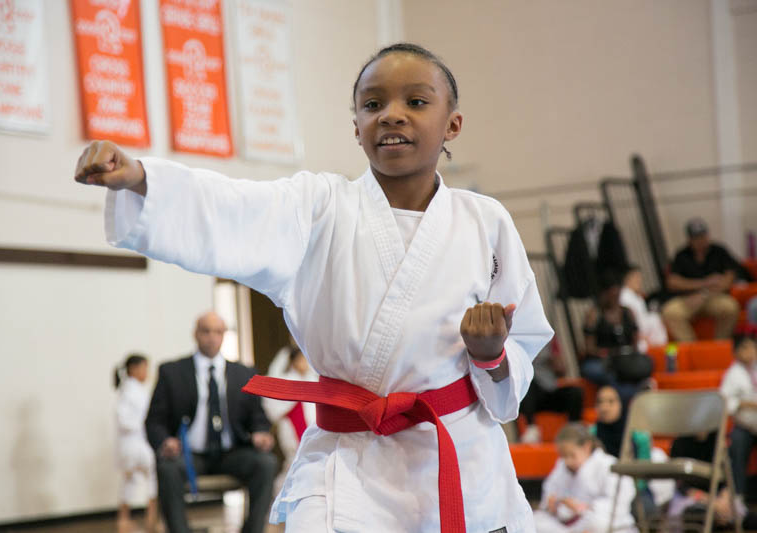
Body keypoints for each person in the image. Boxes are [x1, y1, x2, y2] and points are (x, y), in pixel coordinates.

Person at [74, 42, 554, 533]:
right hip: (348, 468)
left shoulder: (485, 222)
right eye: (373, 104)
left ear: (452, 124)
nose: (391, 115)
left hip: (459, 459)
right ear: (356, 128)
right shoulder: (318, 208)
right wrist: (141, 179)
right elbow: (233, 207)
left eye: (415, 101)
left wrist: (490, 354)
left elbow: (518, 358)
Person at [145, 312, 277, 533]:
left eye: (218, 332)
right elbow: (154, 421)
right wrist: (165, 441)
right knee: (167, 468)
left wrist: (261, 433)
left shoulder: (244, 373)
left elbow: (258, 418)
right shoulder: (171, 372)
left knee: (266, 463)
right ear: (196, 334)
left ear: (224, 335)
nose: (212, 337)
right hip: (189, 455)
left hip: (232, 453)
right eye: (206, 331)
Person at [533, 423, 636, 532]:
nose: (567, 461)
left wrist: (583, 507)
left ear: (587, 447)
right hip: (566, 523)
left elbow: (620, 501)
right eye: (563, 456)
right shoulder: (561, 466)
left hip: (596, 519)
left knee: (597, 523)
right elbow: (550, 492)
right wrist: (552, 504)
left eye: (572, 455)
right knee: (536, 520)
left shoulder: (607, 464)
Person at [589, 386, 674, 518]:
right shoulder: (591, 435)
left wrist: (626, 490)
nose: (605, 407)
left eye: (611, 402)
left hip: (635, 487)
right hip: (602, 489)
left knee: (645, 510)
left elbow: (644, 473)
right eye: (600, 402)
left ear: (621, 404)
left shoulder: (638, 434)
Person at [662, 217, 741, 341]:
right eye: (696, 238)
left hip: (714, 297)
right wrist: (704, 283)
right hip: (688, 299)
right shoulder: (682, 255)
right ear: (689, 239)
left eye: (702, 236)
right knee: (670, 312)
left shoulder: (719, 251)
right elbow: (672, 282)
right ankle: (692, 349)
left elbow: (727, 280)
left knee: (730, 307)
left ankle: (720, 346)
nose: (700, 241)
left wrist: (704, 294)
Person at [580, 270, 653, 403]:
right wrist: (607, 353)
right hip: (602, 360)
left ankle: (637, 393)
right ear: (603, 294)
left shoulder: (627, 312)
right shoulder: (594, 314)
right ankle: (626, 397)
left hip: (625, 357)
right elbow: (589, 347)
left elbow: (635, 340)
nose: (614, 298)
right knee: (605, 373)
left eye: (617, 294)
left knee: (644, 364)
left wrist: (629, 352)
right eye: (610, 295)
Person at [114, 353, 158, 533]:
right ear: (133, 369)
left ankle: (142, 518)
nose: (146, 372)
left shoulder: (137, 390)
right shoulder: (129, 391)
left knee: (132, 481)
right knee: (147, 478)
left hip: (137, 442)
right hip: (135, 443)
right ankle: (149, 518)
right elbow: (123, 419)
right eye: (144, 368)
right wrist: (145, 424)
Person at [262, 345, 317, 484]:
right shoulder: (287, 380)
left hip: (311, 422)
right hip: (293, 424)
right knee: (295, 460)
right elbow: (274, 406)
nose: (303, 363)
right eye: (300, 360)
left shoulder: (312, 379)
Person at [518, 340, 583, 443]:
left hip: (549, 389)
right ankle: (531, 428)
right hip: (529, 397)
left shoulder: (550, 341)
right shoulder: (517, 343)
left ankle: (573, 429)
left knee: (575, 392)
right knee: (528, 384)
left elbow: (561, 371)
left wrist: (556, 362)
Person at [720, 333, 757, 502]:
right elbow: (724, 402)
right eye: (745, 348)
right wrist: (746, 404)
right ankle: (737, 497)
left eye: (752, 347)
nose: (750, 351)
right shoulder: (732, 374)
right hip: (745, 425)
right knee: (737, 441)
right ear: (736, 352)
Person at [619, 265, 667, 351]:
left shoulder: (637, 296)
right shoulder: (624, 297)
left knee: (654, 318)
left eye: (640, 278)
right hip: (637, 336)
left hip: (647, 334)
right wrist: (641, 336)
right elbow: (630, 321)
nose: (639, 281)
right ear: (628, 279)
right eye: (636, 278)